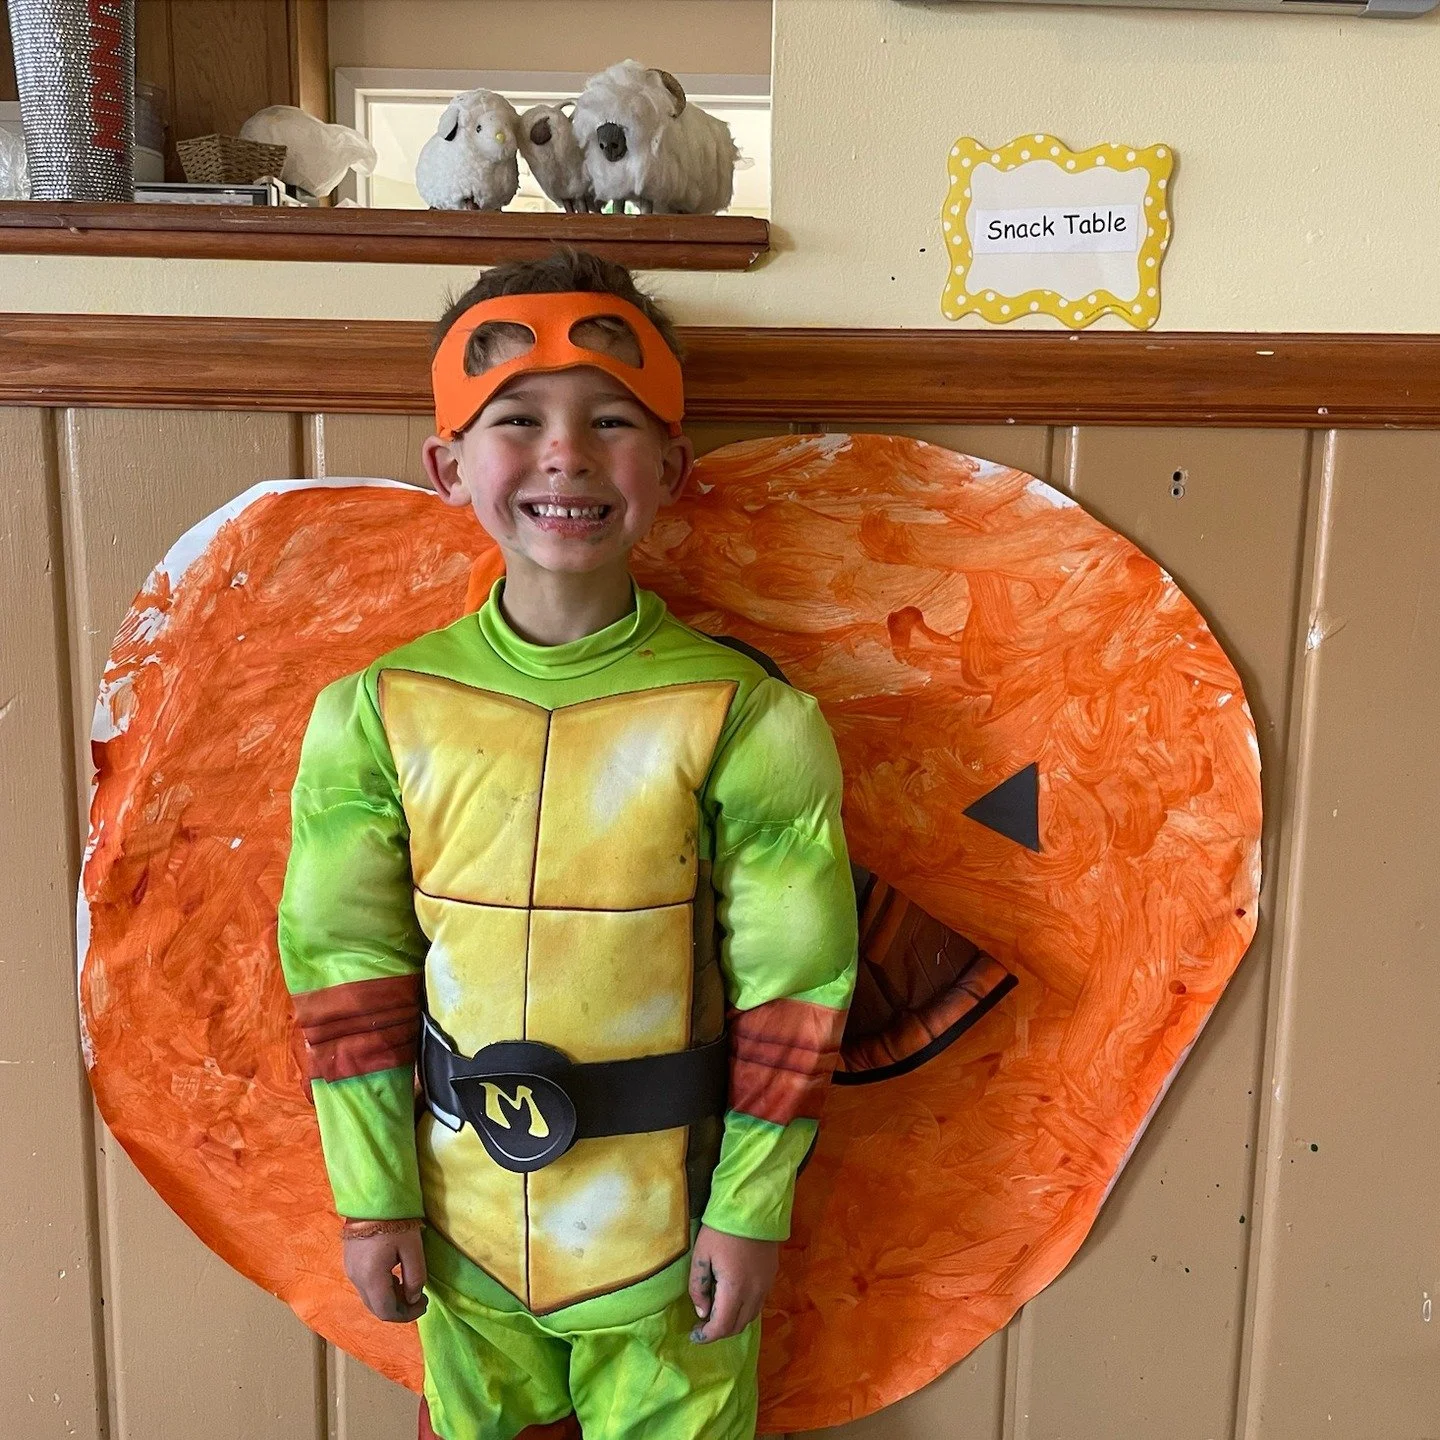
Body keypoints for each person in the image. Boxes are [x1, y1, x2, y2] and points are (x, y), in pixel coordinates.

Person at [277, 249, 859, 1440]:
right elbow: (344, 969)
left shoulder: (748, 716)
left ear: (673, 466)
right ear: (448, 466)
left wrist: (749, 1210)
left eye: (611, 420)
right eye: (517, 421)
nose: (566, 454)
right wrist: (371, 1200)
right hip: (460, 1239)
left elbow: (798, 986)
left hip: (666, 1246)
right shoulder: (375, 713)